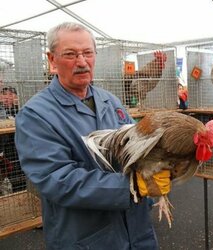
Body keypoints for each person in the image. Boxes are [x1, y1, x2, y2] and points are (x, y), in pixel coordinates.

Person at [14, 22, 158, 249]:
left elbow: (135, 144)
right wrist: (133, 186)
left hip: (136, 230)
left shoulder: (110, 100)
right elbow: (57, 179)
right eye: (70, 54)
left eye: (87, 53)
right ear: (52, 60)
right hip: (87, 235)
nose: (81, 62)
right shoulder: (35, 115)